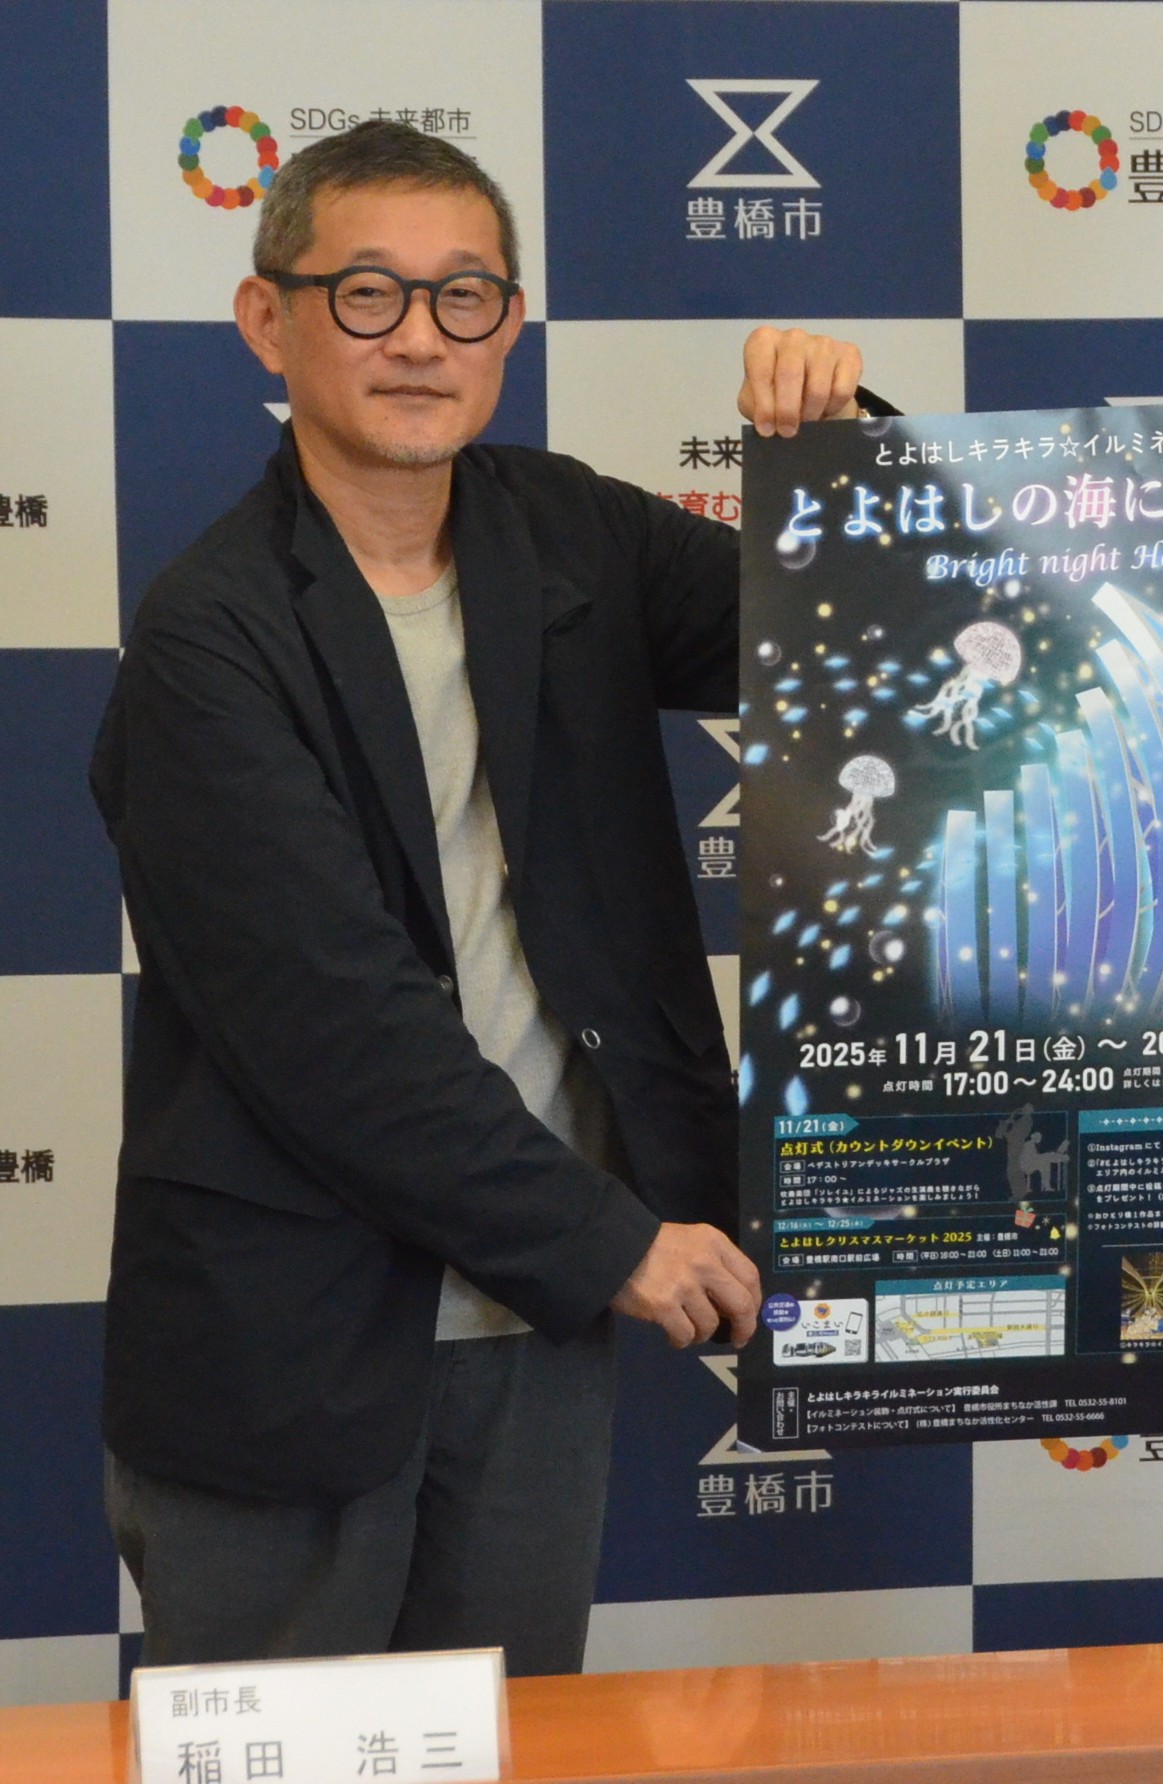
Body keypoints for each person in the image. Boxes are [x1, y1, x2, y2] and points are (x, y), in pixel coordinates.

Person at [91, 119, 864, 1674]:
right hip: (292, 1335)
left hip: (535, 1326)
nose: (420, 339)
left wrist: (842, 466)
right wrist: (606, 1241)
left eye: (465, 297)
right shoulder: (208, 637)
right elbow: (335, 1030)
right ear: (269, 321)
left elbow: (867, 629)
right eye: (367, 294)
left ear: (510, 326)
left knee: (507, 1747)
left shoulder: (566, 533)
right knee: (286, 1768)